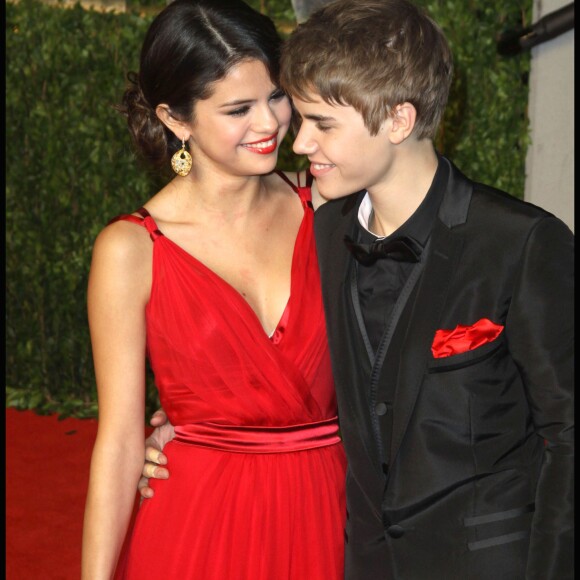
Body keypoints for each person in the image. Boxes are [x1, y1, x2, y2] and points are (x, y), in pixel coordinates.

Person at [139, 0, 574, 578]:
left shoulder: (520, 243)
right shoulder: (323, 228)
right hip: (356, 559)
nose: (296, 143)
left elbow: (568, 436)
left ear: (397, 120)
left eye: (321, 124)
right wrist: (193, 425)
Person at [81, 0, 347, 578]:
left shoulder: (328, 207)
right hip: (198, 526)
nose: (270, 123)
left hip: (331, 516)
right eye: (238, 109)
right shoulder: (131, 251)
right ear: (177, 119)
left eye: (276, 96)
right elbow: (121, 441)